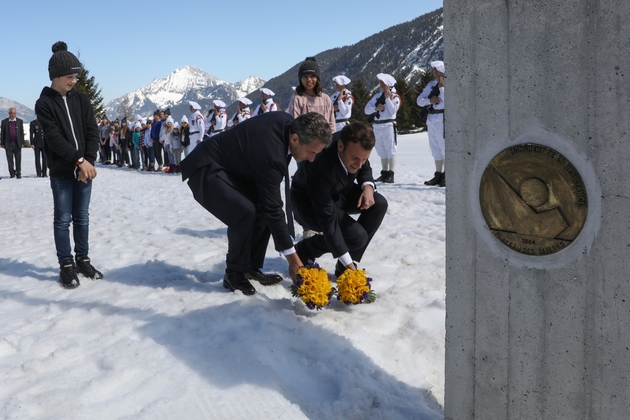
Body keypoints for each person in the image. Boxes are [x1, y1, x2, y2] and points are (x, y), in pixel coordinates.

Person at [181, 112, 332, 296]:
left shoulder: (289, 125)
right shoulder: (272, 153)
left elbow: (270, 206)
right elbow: (274, 208)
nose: (312, 159)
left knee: (261, 208)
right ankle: (234, 273)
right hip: (206, 167)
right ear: (294, 138)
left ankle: (250, 267)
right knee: (244, 212)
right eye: (311, 152)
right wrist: (293, 259)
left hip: (233, 169)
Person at [34, 41, 103, 289]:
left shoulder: (82, 100)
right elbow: (54, 139)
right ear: (55, 76)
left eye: (75, 76)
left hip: (84, 170)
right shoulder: (44, 104)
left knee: (82, 217)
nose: (73, 81)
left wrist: (88, 163)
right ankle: (66, 265)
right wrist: (78, 161)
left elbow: (92, 132)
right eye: (69, 76)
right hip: (63, 172)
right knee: (63, 219)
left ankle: (82, 259)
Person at [291, 122, 387, 277]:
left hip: (338, 193)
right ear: (340, 146)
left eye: (364, 158)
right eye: (355, 158)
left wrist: (368, 188)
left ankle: (345, 266)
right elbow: (328, 219)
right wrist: (352, 268)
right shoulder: (319, 164)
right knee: (356, 237)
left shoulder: (355, 147)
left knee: (379, 204)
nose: (358, 164)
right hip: (310, 204)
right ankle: (305, 250)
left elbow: (365, 167)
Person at [364, 73, 401, 183]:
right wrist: (376, 108)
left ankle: (391, 173)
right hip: (377, 125)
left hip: (388, 125)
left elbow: (393, 110)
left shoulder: (394, 97)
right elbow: (366, 109)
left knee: (391, 149)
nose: (380, 84)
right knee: (381, 149)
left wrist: (387, 99)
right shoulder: (377, 96)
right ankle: (384, 172)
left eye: (382, 82)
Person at [287, 57, 336, 132]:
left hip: (325, 142)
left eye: (312, 76)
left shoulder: (326, 99)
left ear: (317, 78)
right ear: (301, 79)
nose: (309, 79)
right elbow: (294, 125)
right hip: (305, 142)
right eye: (305, 76)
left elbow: (331, 124)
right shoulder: (297, 99)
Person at [417, 60, 446, 187]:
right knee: (435, 148)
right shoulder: (431, 85)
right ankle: (438, 174)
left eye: (436, 69)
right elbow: (419, 100)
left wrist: (442, 89)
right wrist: (430, 100)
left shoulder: (447, 84)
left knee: (444, 147)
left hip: (443, 117)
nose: (434, 72)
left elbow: (449, 102)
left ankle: (446, 174)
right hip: (431, 118)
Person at [1, 107, 25, 179]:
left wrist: (22, 142)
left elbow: (21, 133)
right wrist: (2, 143)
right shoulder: (4, 122)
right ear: (9, 114)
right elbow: (2, 133)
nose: (13, 115)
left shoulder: (20, 121)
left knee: (18, 159)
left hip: (17, 143)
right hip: (8, 144)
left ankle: (18, 173)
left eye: (14, 113)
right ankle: (12, 173)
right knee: (10, 160)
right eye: (11, 113)